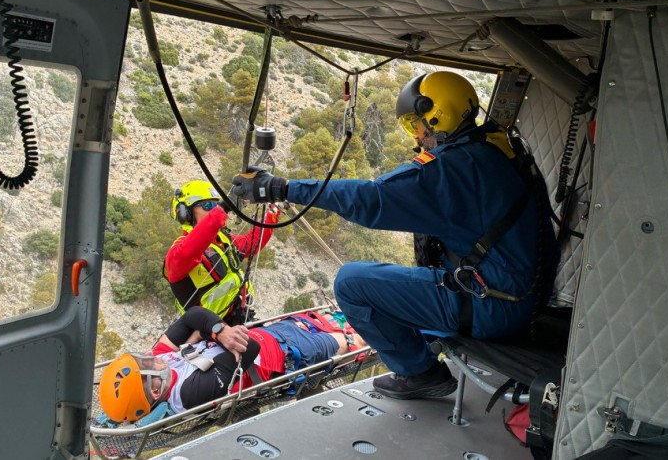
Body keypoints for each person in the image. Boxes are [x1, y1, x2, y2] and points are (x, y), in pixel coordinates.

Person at [231, 71, 560, 400]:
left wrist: (282, 188)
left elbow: (371, 199)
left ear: (438, 115)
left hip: (492, 308)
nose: (417, 137)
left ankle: (421, 373)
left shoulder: (453, 168)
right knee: (406, 276)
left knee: (351, 283)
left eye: (416, 125)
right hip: (524, 300)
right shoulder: (498, 148)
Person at [98, 306, 366, 423]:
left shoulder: (163, 361)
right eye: (147, 365)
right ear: (155, 391)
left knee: (332, 320)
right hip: (290, 356)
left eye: (143, 359)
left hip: (275, 334)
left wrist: (214, 330)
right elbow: (249, 348)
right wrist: (209, 333)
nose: (152, 357)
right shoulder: (189, 395)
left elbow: (193, 314)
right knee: (351, 341)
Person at [164, 180, 278, 326]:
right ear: (186, 213)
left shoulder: (221, 239)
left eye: (216, 205)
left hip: (239, 318)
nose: (215, 210)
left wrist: (273, 212)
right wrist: (223, 208)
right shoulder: (178, 252)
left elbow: (251, 243)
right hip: (208, 330)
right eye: (208, 205)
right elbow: (190, 249)